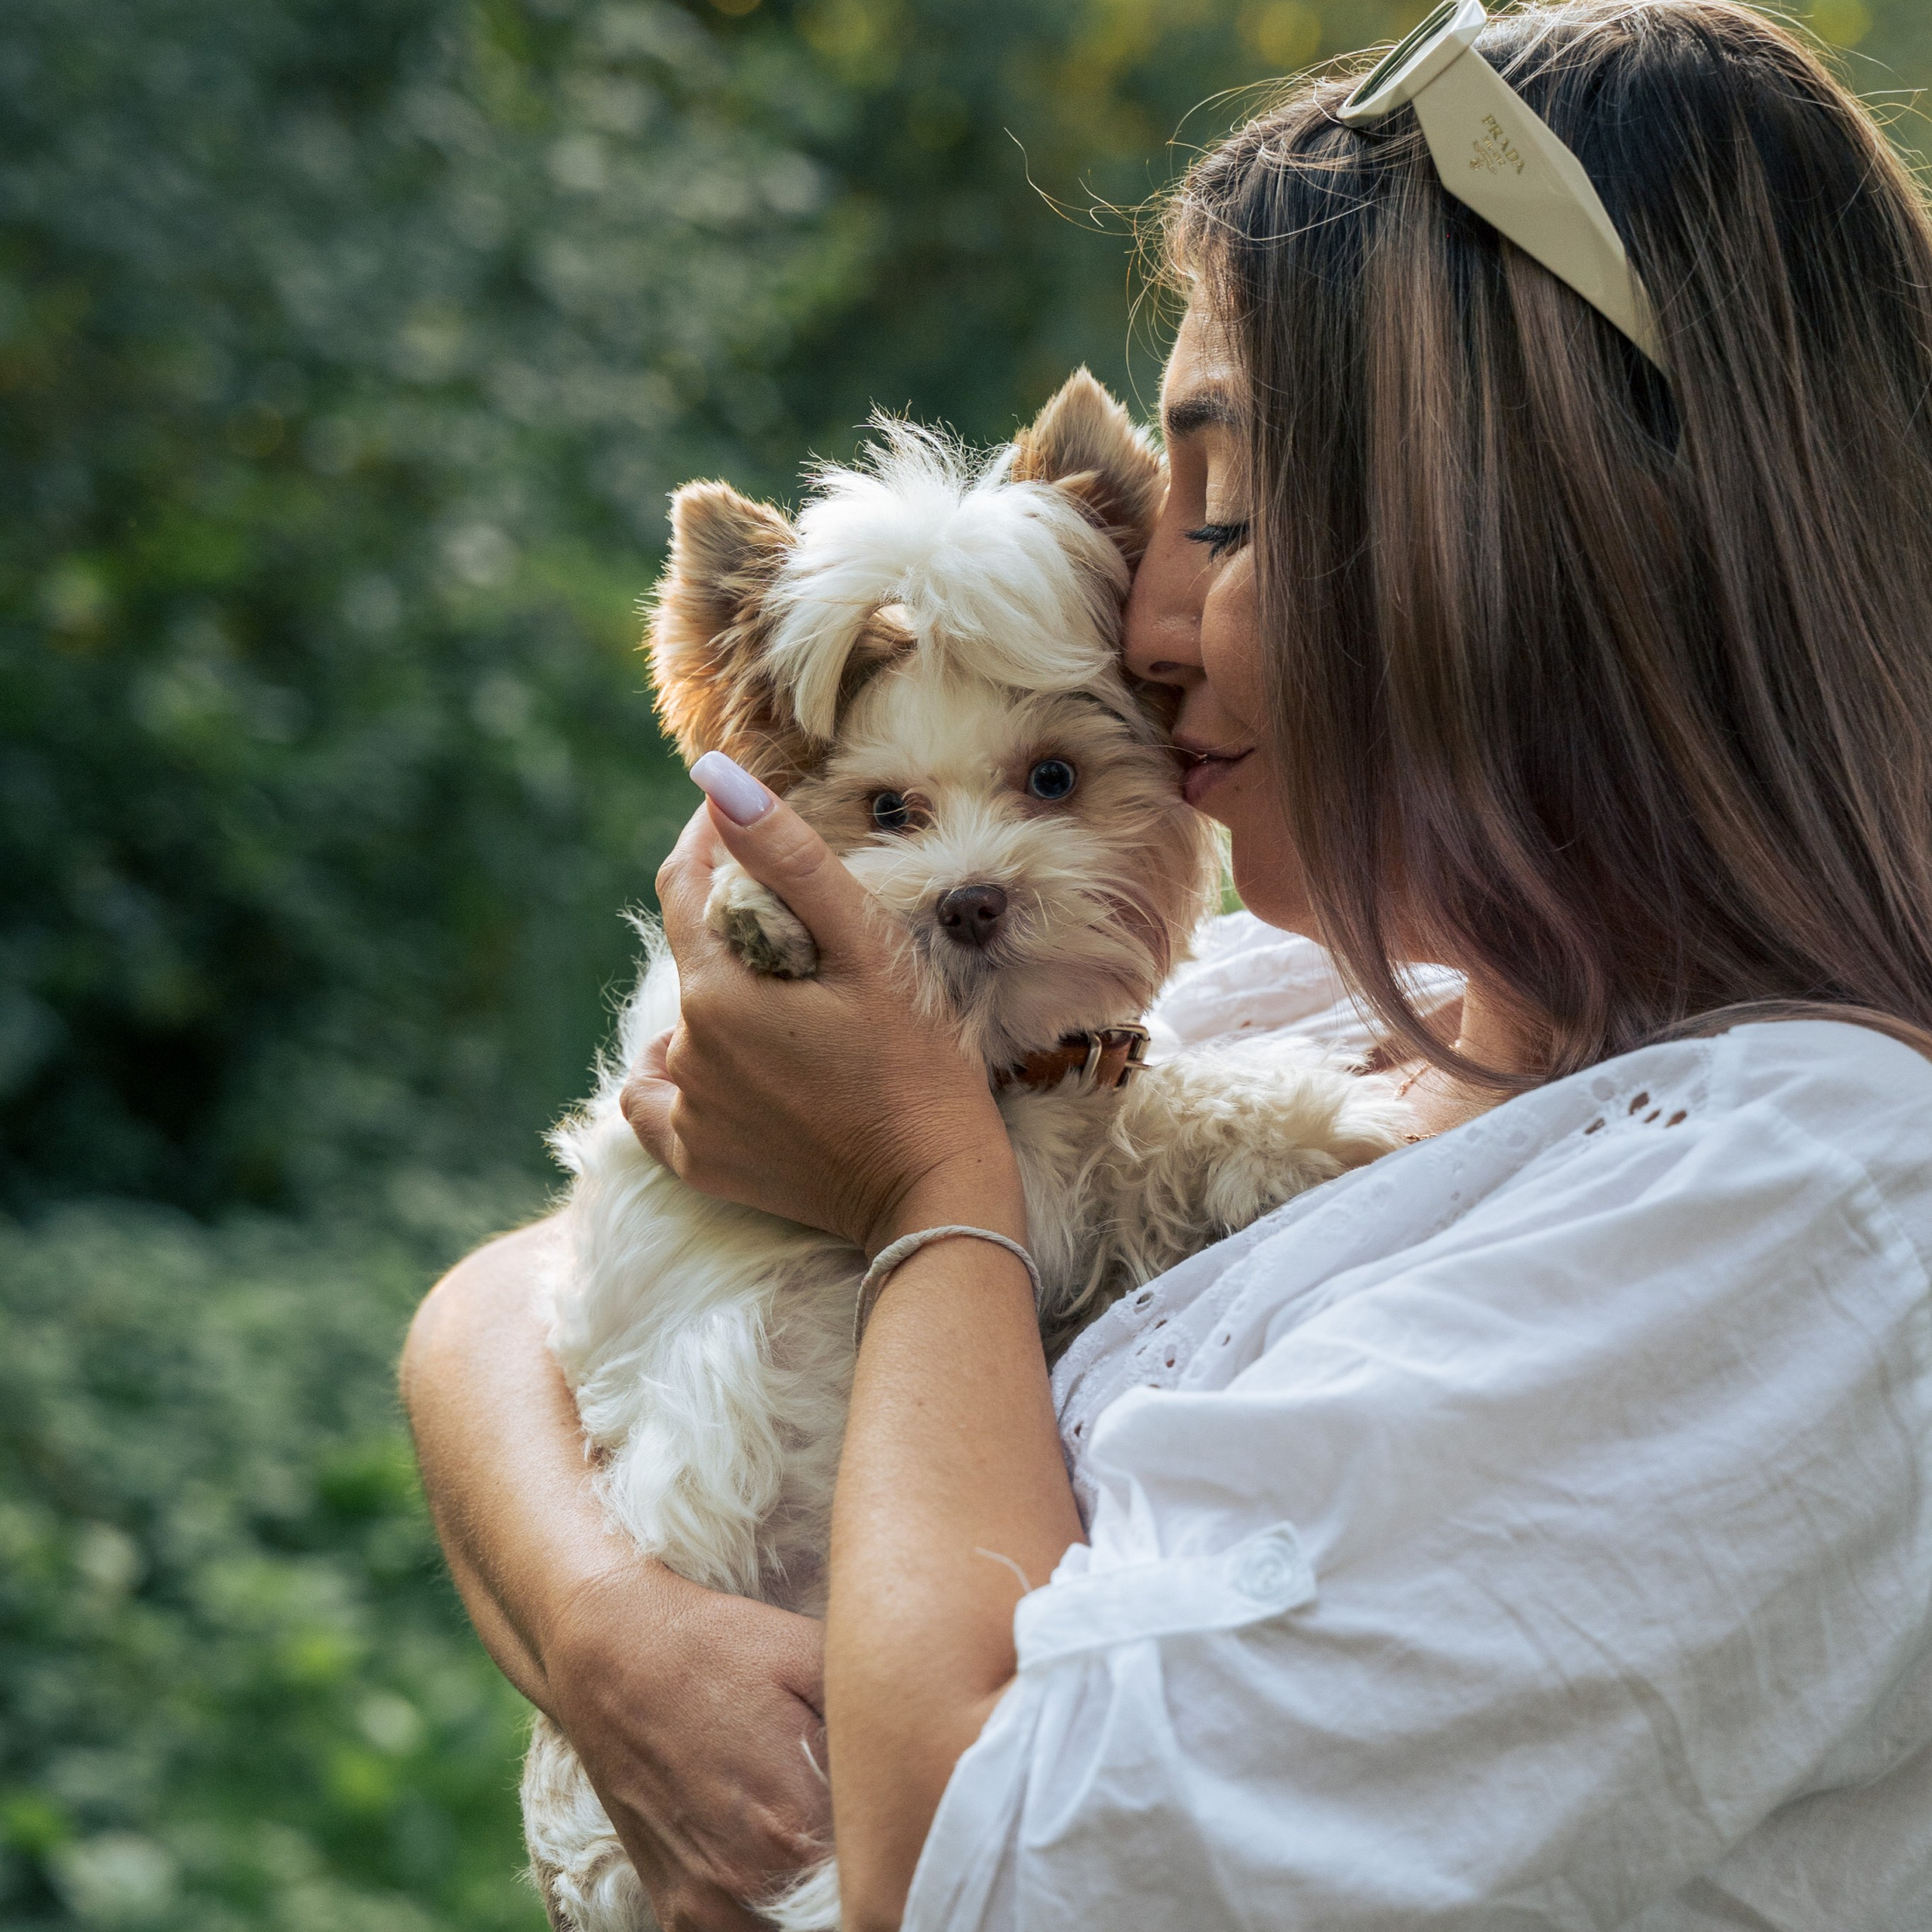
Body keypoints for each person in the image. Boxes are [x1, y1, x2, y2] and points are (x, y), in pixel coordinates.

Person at [400, 1, 1932, 1924]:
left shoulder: (1810, 1212)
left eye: (1222, 509)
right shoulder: (1279, 1006)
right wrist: (608, 1622)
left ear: (1525, 549)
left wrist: (923, 1192)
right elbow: (502, 1303)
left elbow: (997, 1868)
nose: (1140, 612)